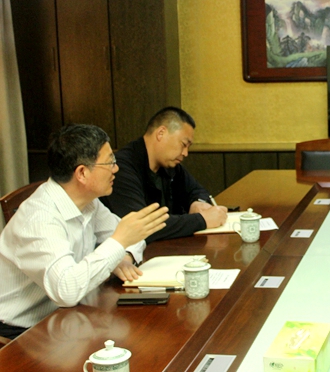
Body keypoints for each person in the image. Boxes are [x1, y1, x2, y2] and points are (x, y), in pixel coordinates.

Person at [0, 124, 169, 339]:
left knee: (136, 332)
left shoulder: (88, 202)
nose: (116, 169)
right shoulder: (40, 219)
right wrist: (118, 243)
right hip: (20, 331)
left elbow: (133, 236)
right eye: (110, 162)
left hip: (65, 314)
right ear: (82, 173)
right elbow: (67, 291)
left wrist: (123, 257)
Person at [101, 107, 228, 242]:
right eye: (183, 144)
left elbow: (197, 190)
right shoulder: (122, 168)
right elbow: (142, 226)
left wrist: (196, 202)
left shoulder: (170, 165)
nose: (185, 153)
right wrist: (201, 220)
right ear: (161, 133)